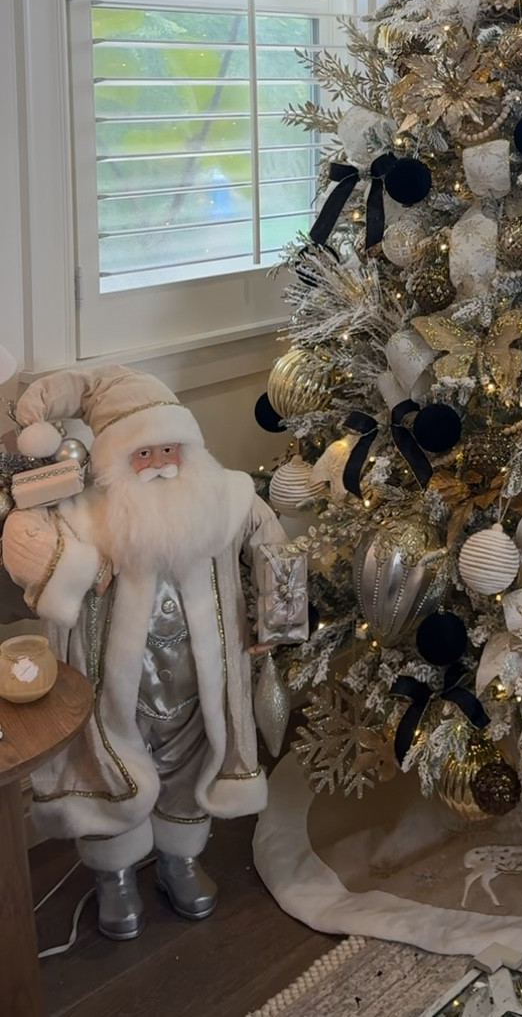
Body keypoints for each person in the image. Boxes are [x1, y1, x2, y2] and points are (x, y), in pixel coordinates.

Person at [1, 364, 289, 939]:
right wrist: (77, 562)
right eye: (142, 454)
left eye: (170, 448)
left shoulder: (226, 499)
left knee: (191, 764)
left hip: (198, 685)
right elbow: (21, 539)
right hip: (115, 693)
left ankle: (181, 857)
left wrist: (279, 618)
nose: (159, 463)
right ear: (113, 463)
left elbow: (273, 548)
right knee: (108, 766)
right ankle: (115, 874)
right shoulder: (84, 515)